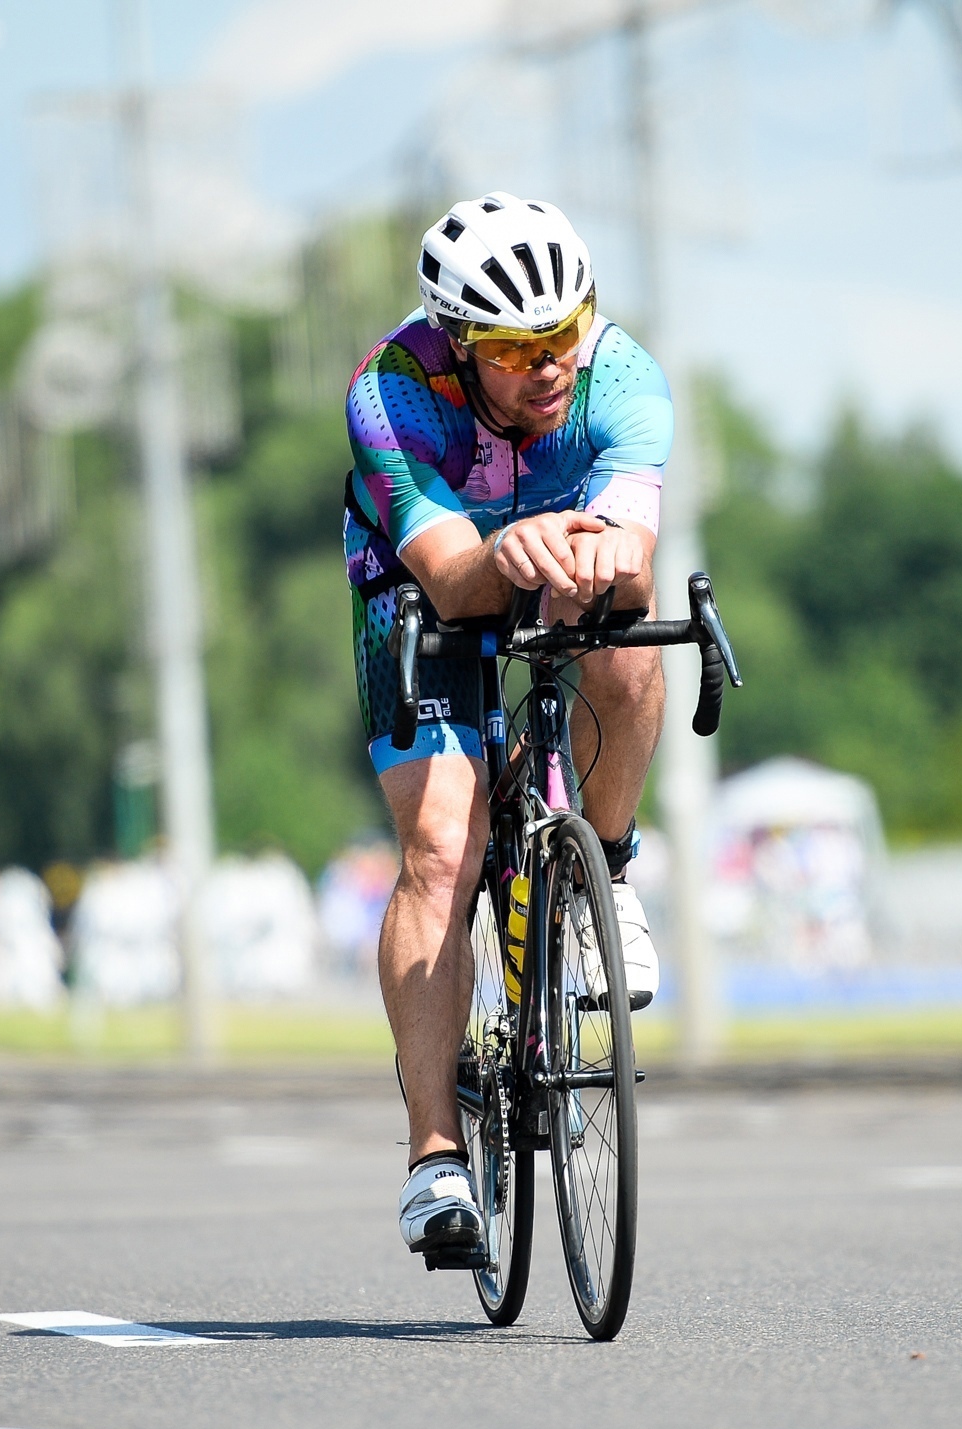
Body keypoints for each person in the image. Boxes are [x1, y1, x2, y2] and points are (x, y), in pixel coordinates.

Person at [343, 192, 670, 1262]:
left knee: (627, 645)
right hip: (417, 582)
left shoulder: (621, 374)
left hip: (555, 557)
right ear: (460, 344)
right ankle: (434, 1154)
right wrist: (510, 547)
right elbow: (446, 578)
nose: (551, 362)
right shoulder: (396, 393)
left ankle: (604, 875)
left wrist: (595, 556)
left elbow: (632, 552)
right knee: (444, 844)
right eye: (519, 347)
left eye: (564, 331)